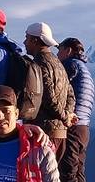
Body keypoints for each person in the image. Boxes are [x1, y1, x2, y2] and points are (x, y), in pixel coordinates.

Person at [58, 37, 95, 182]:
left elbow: (61, 89)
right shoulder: (85, 69)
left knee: (68, 173)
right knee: (78, 173)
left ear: (69, 50)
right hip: (84, 126)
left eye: (60, 49)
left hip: (72, 124)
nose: (57, 54)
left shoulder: (70, 65)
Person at [21, 22, 76, 159]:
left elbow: (48, 97)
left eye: (27, 38)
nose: (24, 42)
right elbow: (70, 94)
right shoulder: (58, 62)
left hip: (43, 133)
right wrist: (67, 116)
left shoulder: (38, 64)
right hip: (60, 133)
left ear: (35, 40)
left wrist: (64, 116)